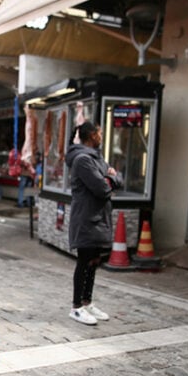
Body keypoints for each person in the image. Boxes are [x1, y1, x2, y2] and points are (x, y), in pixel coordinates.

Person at [65, 121, 122, 325]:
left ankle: (87, 302)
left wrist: (111, 177)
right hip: (86, 219)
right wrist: (110, 177)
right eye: (99, 132)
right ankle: (76, 307)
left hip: (99, 218)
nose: (101, 135)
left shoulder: (97, 158)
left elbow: (116, 180)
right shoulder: (82, 160)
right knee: (84, 261)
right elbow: (103, 189)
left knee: (94, 262)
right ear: (90, 136)